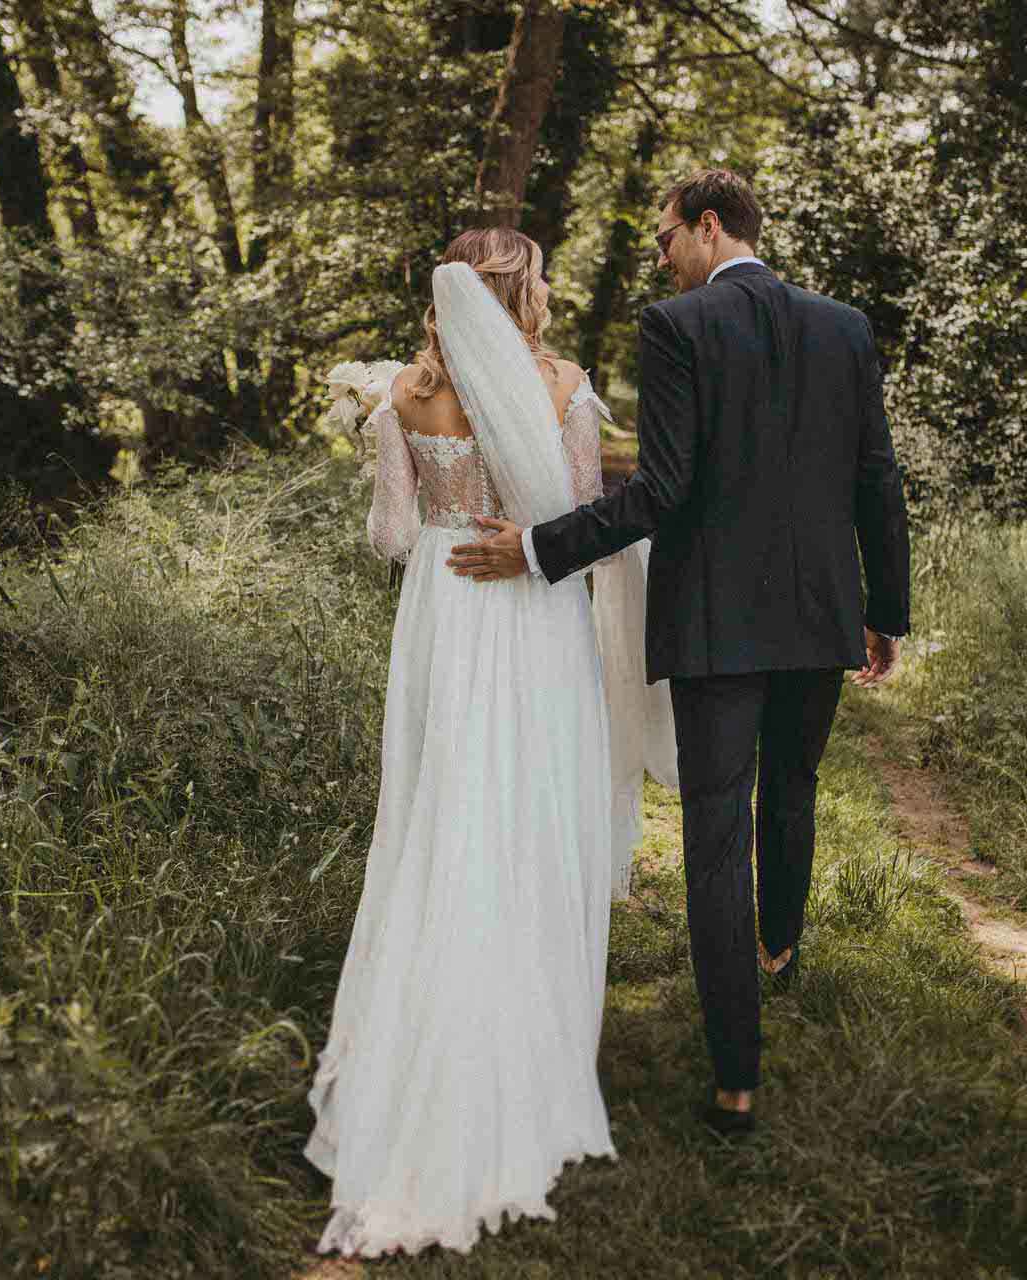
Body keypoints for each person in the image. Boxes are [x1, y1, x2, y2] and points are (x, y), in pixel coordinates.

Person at [448, 169, 912, 1136]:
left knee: (716, 829)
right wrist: (886, 611)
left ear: (708, 227)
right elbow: (877, 476)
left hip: (717, 622)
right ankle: (781, 950)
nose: (660, 257)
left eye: (665, 238)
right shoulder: (844, 327)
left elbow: (660, 491)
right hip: (822, 613)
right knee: (793, 789)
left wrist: (537, 549)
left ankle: (736, 1074)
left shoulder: (677, 326)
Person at [305, 227, 659, 1255]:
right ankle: (525, 1032)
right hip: (533, 610)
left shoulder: (402, 396)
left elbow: (388, 536)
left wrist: (435, 506)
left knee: (442, 804)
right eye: (538, 277)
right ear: (524, 290)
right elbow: (581, 518)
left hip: (446, 612)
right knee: (528, 804)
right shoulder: (563, 386)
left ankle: (422, 1033)